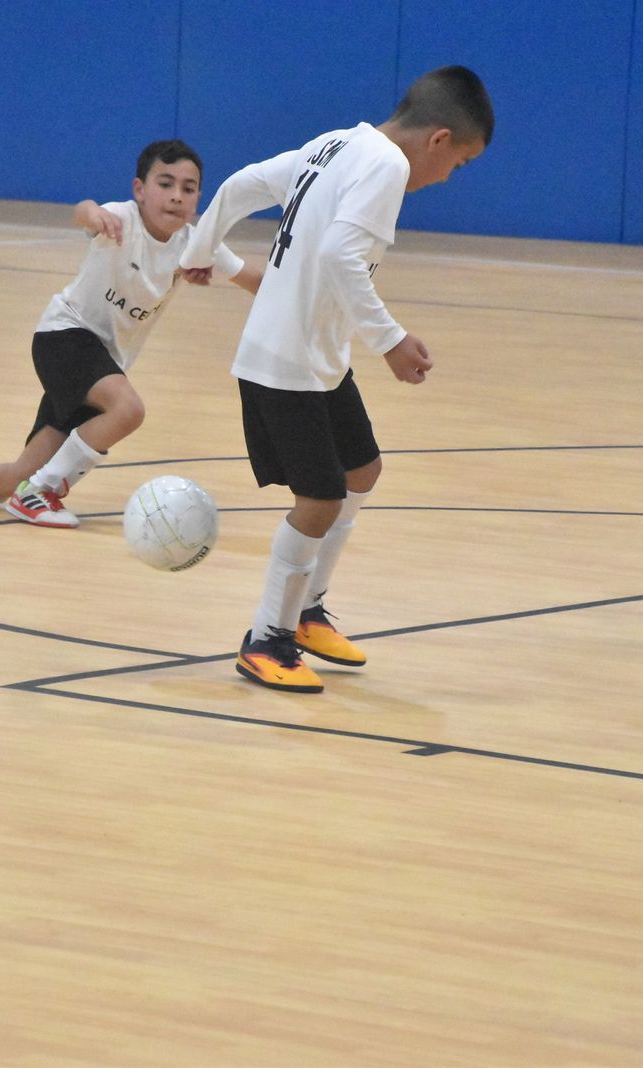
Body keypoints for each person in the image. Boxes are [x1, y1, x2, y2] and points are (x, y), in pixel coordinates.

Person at [178, 65, 493, 694]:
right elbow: (340, 256)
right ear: (438, 139)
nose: (446, 177)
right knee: (319, 501)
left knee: (361, 470)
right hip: (285, 364)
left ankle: (307, 611)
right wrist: (391, 340)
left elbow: (240, 185)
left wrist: (199, 250)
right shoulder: (388, 166)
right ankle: (267, 638)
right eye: (458, 164)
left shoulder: (336, 143)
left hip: (315, 359)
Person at [0, 140, 261, 527]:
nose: (176, 196)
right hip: (64, 337)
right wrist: (94, 215)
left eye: (188, 188)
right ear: (139, 189)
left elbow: (256, 282)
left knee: (18, 474)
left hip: (105, 362)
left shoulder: (197, 245)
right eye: (165, 183)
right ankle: (41, 493)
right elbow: (84, 211)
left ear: (198, 199)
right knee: (128, 410)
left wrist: (298, 290)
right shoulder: (121, 219)